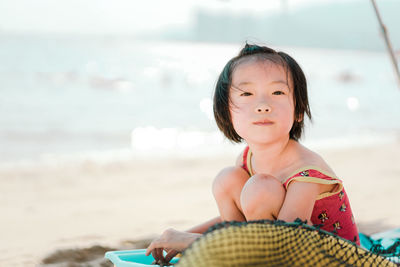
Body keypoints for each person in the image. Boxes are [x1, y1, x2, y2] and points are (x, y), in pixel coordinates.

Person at [145, 43, 360, 264]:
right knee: (227, 179)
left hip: (327, 261)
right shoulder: (247, 159)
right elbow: (241, 221)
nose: (263, 105)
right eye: (247, 93)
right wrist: (178, 236)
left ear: (298, 110)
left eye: (277, 92)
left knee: (260, 188)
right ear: (226, 112)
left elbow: (288, 242)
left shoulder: (306, 173)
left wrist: (194, 242)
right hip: (269, 251)